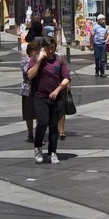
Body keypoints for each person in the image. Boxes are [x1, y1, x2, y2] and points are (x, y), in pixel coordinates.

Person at [27, 37, 71, 165]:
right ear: (43, 48)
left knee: (53, 126)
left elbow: (66, 78)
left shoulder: (60, 59)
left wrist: (57, 90)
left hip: (55, 97)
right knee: (42, 122)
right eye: (48, 48)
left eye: (52, 48)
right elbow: (29, 75)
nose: (50, 51)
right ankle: (38, 148)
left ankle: (53, 152)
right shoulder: (35, 59)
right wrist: (39, 60)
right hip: (40, 97)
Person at [19, 41, 41, 142]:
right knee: (29, 113)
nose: (37, 53)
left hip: (38, 88)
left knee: (38, 112)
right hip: (28, 89)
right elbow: (27, 73)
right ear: (31, 51)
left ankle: (38, 134)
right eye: (36, 51)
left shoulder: (39, 60)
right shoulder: (25, 60)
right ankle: (30, 133)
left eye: (38, 51)